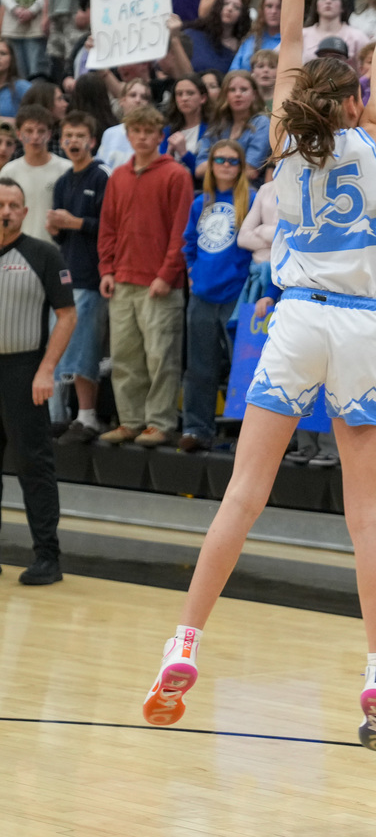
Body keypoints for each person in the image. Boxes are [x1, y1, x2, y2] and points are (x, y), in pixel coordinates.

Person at [141, 0, 376, 751]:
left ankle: (184, 642)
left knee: (244, 494)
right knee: (365, 516)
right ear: (356, 103)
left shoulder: (286, 143)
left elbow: (290, 38)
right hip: (364, 330)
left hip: (294, 321)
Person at [97, 105, 193, 448]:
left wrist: (167, 275)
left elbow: (182, 231)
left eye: (149, 132)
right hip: (122, 280)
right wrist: (106, 270)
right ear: (127, 135)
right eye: (136, 131)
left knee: (161, 357)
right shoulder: (119, 177)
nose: (142, 137)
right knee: (124, 357)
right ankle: (130, 421)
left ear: (160, 135)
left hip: (159, 284)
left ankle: (160, 423)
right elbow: (108, 227)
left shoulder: (175, 175)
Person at [0, 174, 76, 584]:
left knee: (34, 466)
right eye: (0, 205)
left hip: (24, 372)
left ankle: (48, 557)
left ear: (25, 212)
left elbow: (67, 315)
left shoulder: (43, 255)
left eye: (14, 206)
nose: (6, 212)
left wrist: (46, 369)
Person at [180, 139, 255, 452]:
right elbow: (189, 242)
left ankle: (251, 436)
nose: (226, 165)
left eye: (233, 161)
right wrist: (193, 272)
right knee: (199, 367)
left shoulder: (251, 199)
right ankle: (197, 429)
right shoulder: (202, 202)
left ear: (241, 167)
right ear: (210, 165)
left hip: (237, 296)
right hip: (202, 295)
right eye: (220, 160)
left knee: (246, 369)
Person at [45, 110, 106, 442]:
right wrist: (55, 228)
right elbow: (61, 237)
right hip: (67, 274)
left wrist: (75, 223)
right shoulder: (64, 180)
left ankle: (88, 417)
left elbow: (111, 228)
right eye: (67, 136)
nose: (72, 141)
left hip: (94, 275)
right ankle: (59, 416)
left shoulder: (101, 176)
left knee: (83, 347)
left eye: (79, 136)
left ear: (92, 141)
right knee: (58, 344)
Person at [194, 69, 271, 181]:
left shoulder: (261, 123)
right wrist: (233, 165)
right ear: (225, 95)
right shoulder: (218, 123)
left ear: (254, 94)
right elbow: (199, 169)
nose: (238, 94)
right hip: (215, 190)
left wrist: (216, 164)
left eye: (244, 90)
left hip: (249, 191)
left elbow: (250, 171)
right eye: (232, 90)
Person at [5, 103, 65, 242]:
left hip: (55, 252)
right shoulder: (9, 172)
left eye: (41, 131)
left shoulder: (65, 170)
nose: (35, 137)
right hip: (16, 251)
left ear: (49, 134)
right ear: (19, 134)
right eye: (29, 131)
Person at [302, 0, 368, 68]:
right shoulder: (302, 35)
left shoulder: (357, 36)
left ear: (343, 6)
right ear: (316, 5)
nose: (328, 1)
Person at [184, 0, 250, 75]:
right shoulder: (193, 36)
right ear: (218, 6)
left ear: (242, 15)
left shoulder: (243, 47)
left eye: (236, 7)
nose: (230, 8)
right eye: (226, 4)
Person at [160, 73, 209, 175]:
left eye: (190, 93)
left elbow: (210, 171)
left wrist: (184, 153)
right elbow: (160, 169)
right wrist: (169, 153)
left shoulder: (212, 129)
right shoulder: (168, 130)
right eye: (179, 94)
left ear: (203, 98)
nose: (184, 98)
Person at [230, 0, 282, 72]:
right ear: (262, 9)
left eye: (279, 7)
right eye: (269, 6)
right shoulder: (251, 39)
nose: (273, 11)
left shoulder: (291, 41)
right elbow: (233, 73)